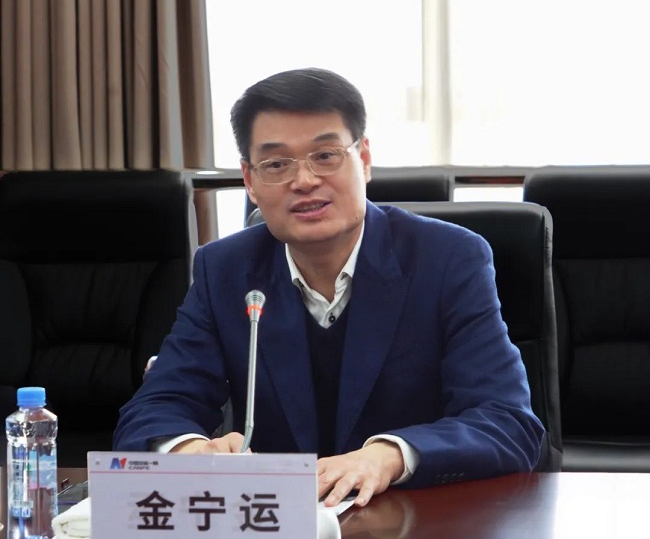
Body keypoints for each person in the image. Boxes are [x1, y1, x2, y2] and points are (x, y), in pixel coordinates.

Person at [114, 67, 544, 507]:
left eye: (325, 155)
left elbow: (507, 422)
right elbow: (156, 407)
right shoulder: (225, 269)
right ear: (250, 181)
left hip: (416, 517)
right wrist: (189, 452)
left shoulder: (449, 259)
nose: (304, 181)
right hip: (277, 520)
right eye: (276, 164)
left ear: (364, 159)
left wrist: (389, 456)